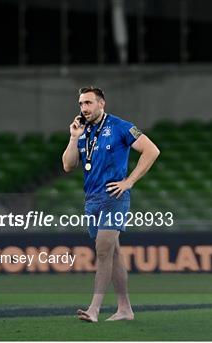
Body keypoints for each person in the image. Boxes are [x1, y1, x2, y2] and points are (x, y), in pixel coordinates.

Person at [62, 86, 160, 323]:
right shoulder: (82, 131)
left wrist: (129, 182)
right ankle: (125, 309)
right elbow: (68, 165)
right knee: (114, 254)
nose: (84, 108)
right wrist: (74, 137)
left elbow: (151, 150)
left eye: (88, 103)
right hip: (92, 200)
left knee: (103, 249)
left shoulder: (120, 126)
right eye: (81, 104)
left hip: (114, 197)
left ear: (101, 103)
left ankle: (94, 309)